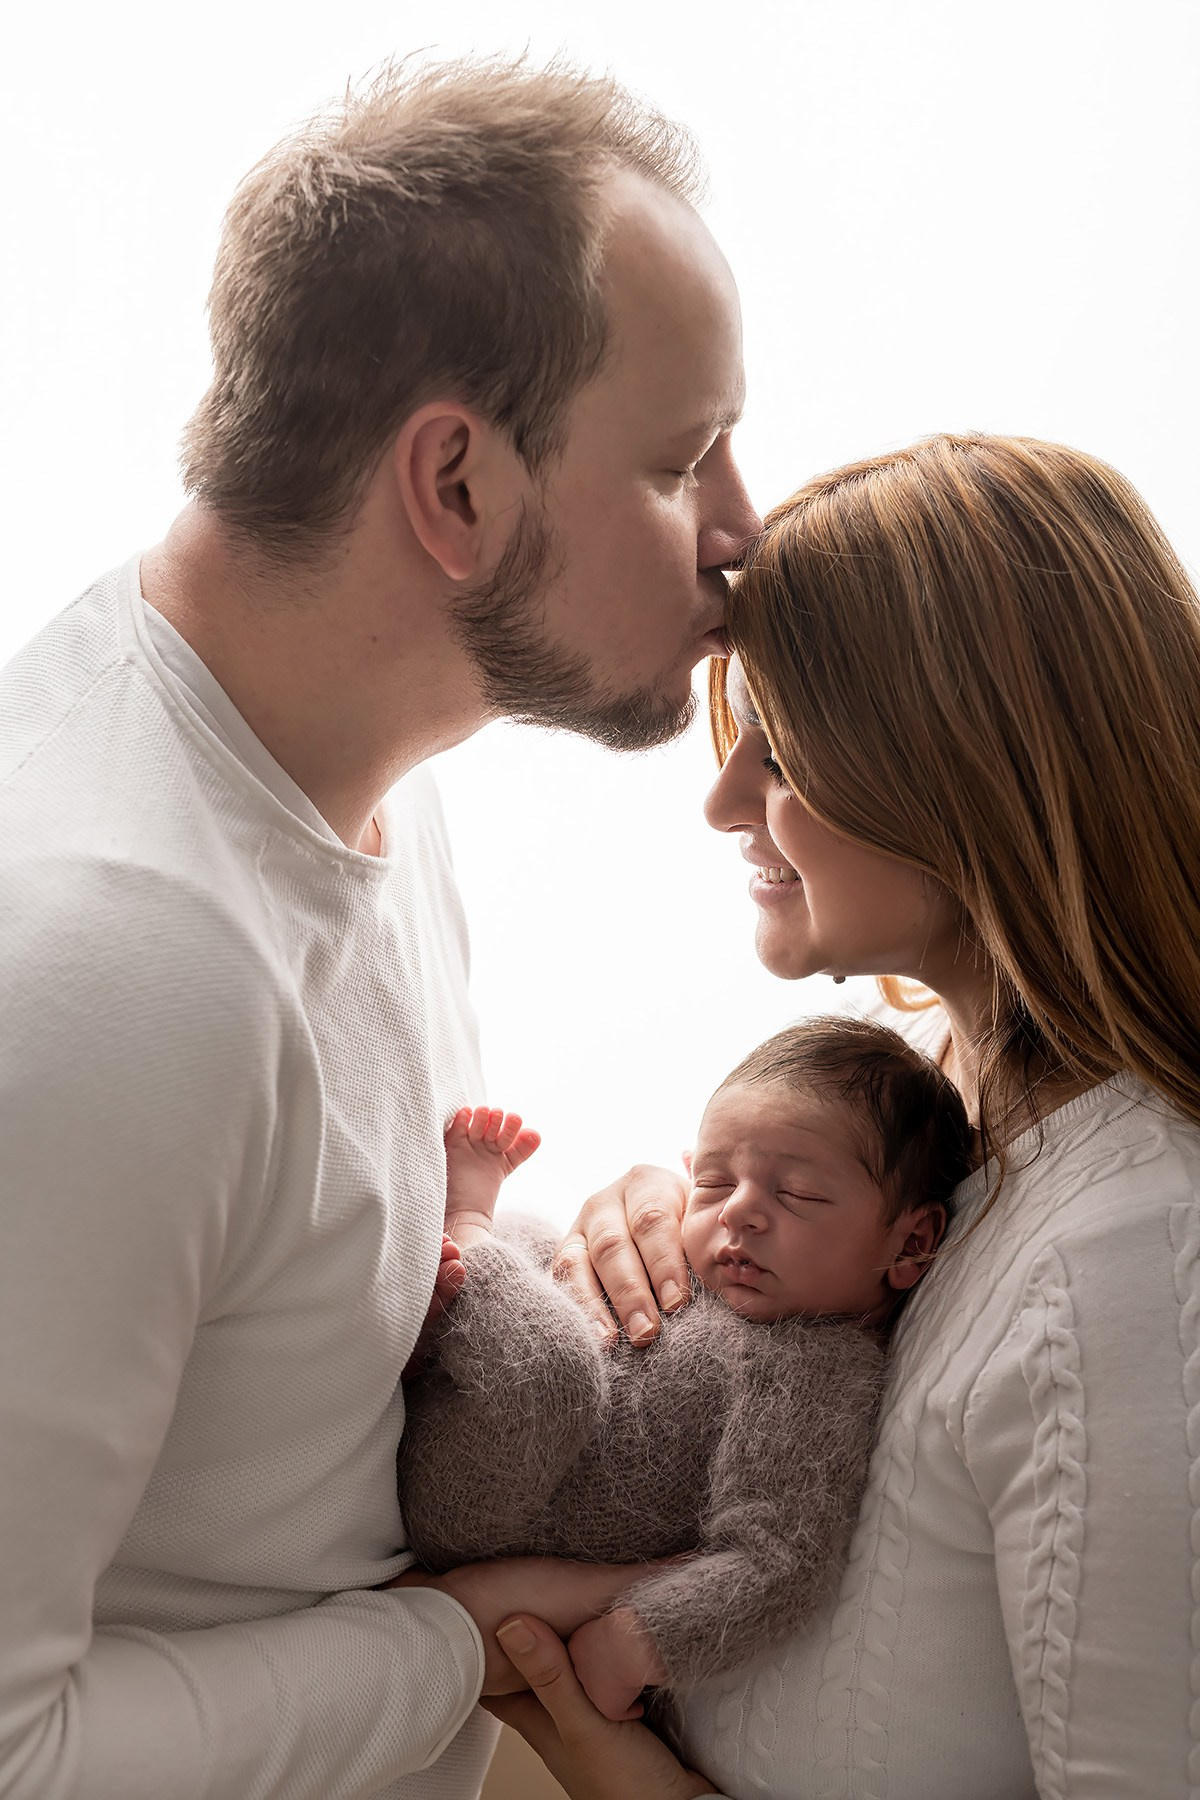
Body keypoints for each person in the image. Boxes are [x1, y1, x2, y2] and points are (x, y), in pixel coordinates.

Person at [0, 57, 760, 1800]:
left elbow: (289, 1303)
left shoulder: (361, 773)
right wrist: (460, 1635)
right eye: (683, 458)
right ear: (457, 486)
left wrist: (564, 1256)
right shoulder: (115, 960)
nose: (745, 531)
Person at [492, 432, 1200, 1799]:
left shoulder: (1138, 1268)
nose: (720, 798)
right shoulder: (945, 1113)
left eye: (785, 742)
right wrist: (686, 1233)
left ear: (969, 767)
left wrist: (614, 1771)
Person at [398, 1017, 972, 1722]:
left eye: (797, 1195)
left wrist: (635, 1643)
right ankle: (434, 1320)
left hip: (490, 1500)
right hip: (489, 1407)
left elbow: (778, 1562)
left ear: (912, 1243)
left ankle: (466, 1229)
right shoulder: (704, 1263)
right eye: (713, 1180)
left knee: (552, 1375)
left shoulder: (817, 1370)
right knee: (546, 1243)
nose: (739, 1214)